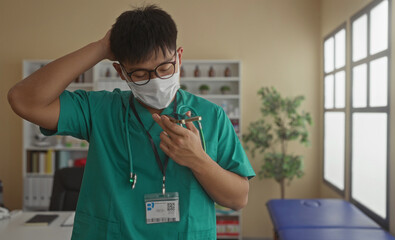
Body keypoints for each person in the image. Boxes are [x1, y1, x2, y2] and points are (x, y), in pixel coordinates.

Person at [8, 5, 255, 240]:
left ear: (179, 57)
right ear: (121, 72)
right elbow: (24, 100)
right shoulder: (100, 111)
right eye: (140, 74)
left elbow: (238, 199)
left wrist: (198, 160)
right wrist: (102, 47)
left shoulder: (210, 116)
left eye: (164, 68)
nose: (155, 80)